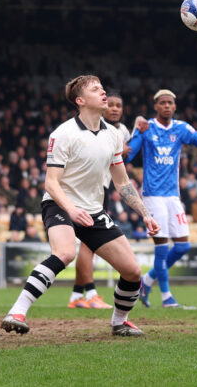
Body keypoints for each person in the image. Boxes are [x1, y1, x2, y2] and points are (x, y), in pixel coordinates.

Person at [1, 75, 160, 337]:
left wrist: (144, 213)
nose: (104, 93)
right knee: (65, 253)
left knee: (132, 272)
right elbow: (51, 183)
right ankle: (17, 311)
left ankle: (119, 322)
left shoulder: (113, 135)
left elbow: (122, 182)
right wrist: (71, 210)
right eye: (96, 90)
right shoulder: (63, 134)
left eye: (103, 88)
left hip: (94, 211)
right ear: (80, 100)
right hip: (59, 204)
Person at [127, 88, 197, 308]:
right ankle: (166, 297)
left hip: (173, 195)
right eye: (163, 103)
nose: (167, 106)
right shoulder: (146, 128)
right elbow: (130, 155)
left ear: (175, 106)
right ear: (156, 106)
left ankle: (146, 281)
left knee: (182, 246)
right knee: (161, 247)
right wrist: (135, 130)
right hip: (152, 196)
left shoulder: (181, 129)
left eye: (170, 102)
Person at [68, 90, 131, 310]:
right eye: (111, 104)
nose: (114, 108)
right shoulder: (95, 125)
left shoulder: (121, 131)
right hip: (86, 194)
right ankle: (91, 292)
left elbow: (129, 151)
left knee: (87, 246)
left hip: (99, 192)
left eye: (118, 105)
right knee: (88, 246)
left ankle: (77, 295)